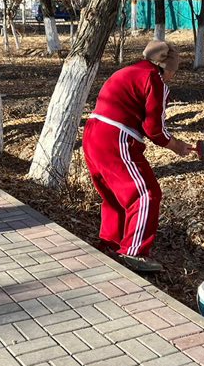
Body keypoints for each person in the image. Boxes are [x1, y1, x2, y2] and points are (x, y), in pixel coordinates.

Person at [82, 40, 194, 273]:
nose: (174, 76)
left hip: (93, 132)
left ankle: (110, 244)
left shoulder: (127, 71)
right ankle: (134, 252)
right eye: (175, 71)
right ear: (168, 67)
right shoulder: (155, 80)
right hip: (116, 138)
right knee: (145, 193)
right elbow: (154, 128)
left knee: (115, 196)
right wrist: (176, 146)